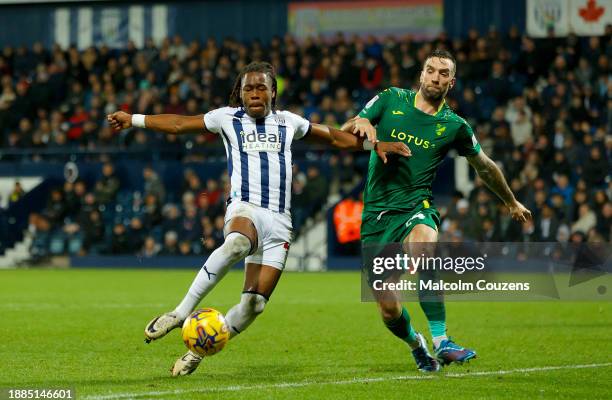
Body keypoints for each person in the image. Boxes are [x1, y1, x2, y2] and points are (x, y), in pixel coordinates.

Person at [107, 61, 409, 376]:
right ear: (240, 93)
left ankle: (198, 351)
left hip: (280, 223)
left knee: (254, 305)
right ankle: (180, 312)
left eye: (261, 87)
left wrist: (375, 145)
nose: (254, 93)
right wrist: (134, 119)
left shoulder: (288, 122)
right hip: (245, 208)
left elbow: (334, 137)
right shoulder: (226, 118)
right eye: (248, 88)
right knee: (237, 243)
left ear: (272, 92)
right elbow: (181, 124)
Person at [342, 50, 531, 372]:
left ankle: (442, 340)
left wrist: (510, 201)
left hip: (416, 205)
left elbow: (484, 167)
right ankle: (417, 344)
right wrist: (360, 124)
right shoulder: (390, 99)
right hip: (375, 214)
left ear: (451, 82)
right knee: (388, 309)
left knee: (424, 248)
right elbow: (345, 134)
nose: (435, 77)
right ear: (421, 74)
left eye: (443, 73)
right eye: (431, 70)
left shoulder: (454, 125)